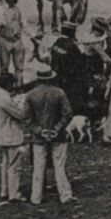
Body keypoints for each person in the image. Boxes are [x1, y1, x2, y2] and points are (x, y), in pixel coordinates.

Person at [26, 65, 74, 205]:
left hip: (38, 137)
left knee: (38, 167)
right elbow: (68, 114)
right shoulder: (59, 92)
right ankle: (65, 195)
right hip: (58, 136)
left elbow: (27, 118)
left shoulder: (30, 95)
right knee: (59, 165)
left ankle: (36, 197)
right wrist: (57, 129)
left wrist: (40, 131)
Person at [0, 73, 29, 202]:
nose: (13, 86)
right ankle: (14, 194)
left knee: (5, 164)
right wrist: (22, 104)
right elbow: (21, 115)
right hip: (12, 135)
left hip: (1, 134)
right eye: (12, 83)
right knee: (14, 166)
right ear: (7, 84)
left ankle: (4, 190)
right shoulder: (5, 99)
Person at [0, 0, 27, 78]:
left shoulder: (18, 9)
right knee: (4, 68)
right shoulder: (1, 9)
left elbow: (24, 24)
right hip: (4, 41)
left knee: (19, 68)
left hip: (17, 41)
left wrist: (33, 36)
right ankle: (5, 87)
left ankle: (19, 87)